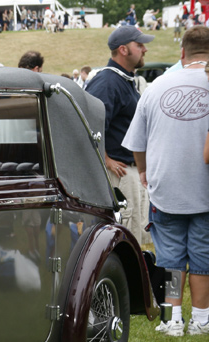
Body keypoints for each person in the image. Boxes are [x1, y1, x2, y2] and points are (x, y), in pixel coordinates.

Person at [124, 26, 209, 335]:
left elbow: (137, 141)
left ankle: (172, 319)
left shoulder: (157, 86)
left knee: (171, 255)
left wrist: (144, 172)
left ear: (182, 52)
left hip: (166, 186)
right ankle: (201, 319)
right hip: (205, 187)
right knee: (203, 255)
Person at [85, 25, 154, 248]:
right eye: (139, 45)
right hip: (119, 173)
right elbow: (88, 122)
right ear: (123, 50)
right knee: (124, 239)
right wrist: (105, 158)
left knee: (135, 236)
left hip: (130, 171)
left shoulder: (123, 79)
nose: (144, 49)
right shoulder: (107, 81)